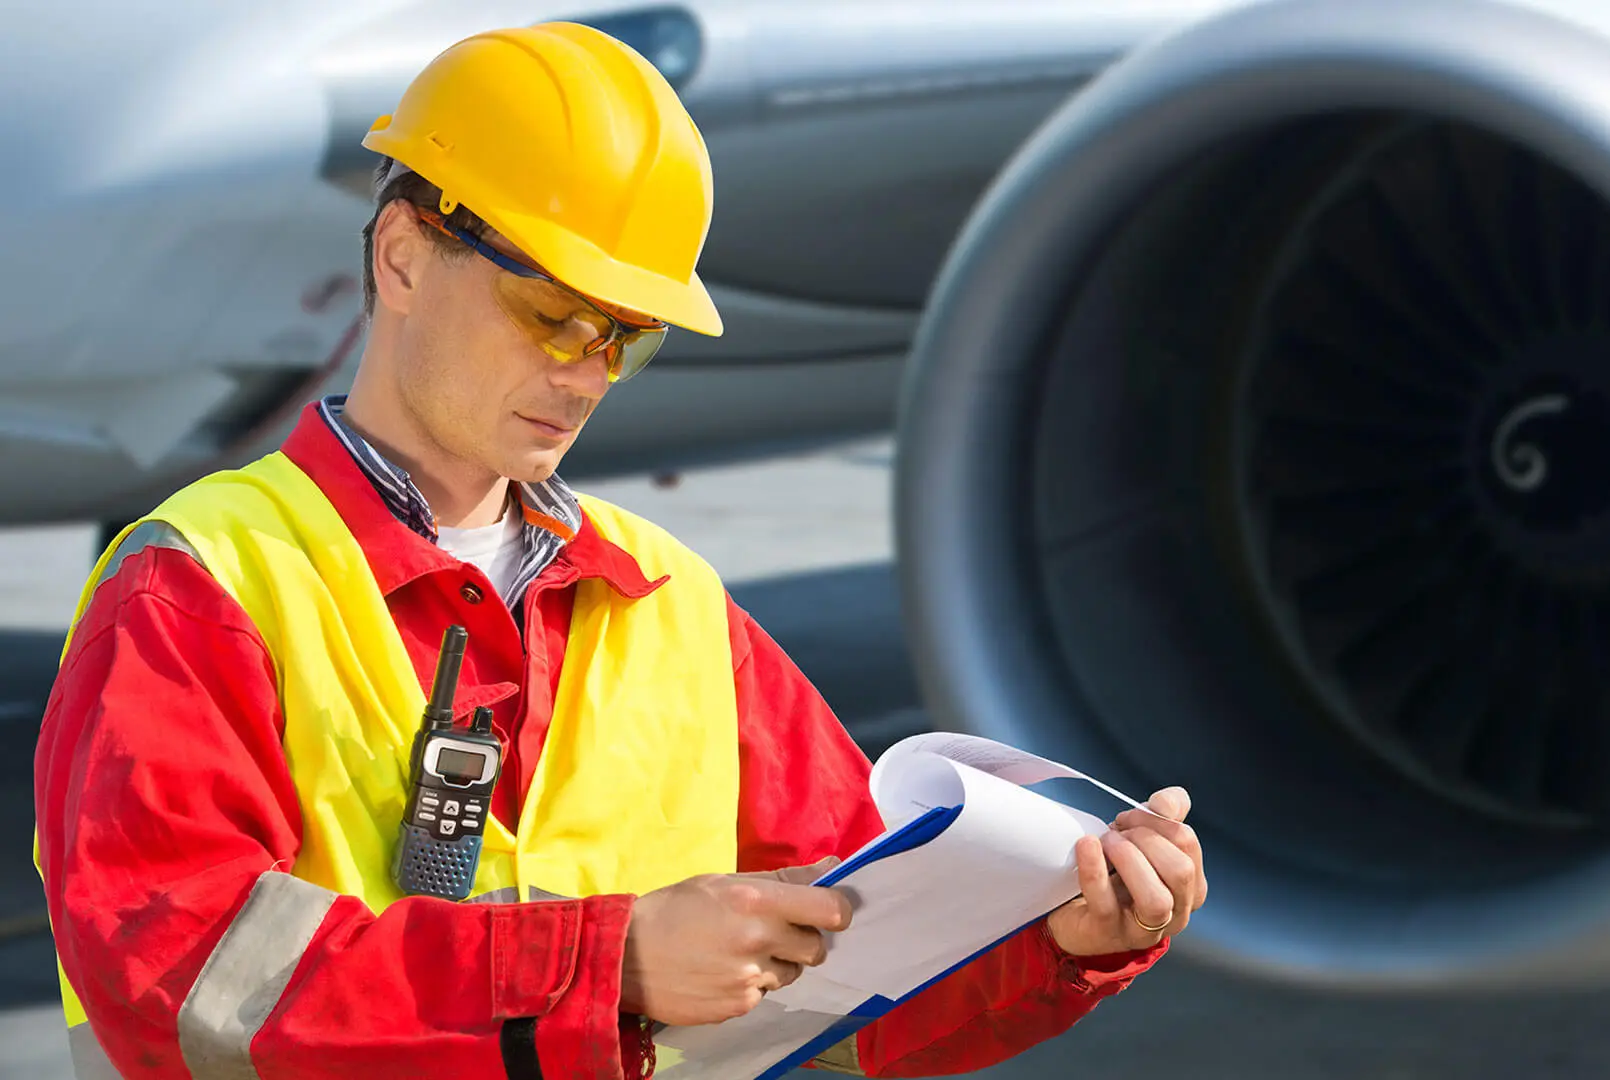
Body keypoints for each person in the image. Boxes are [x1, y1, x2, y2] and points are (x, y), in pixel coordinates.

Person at [32, 21, 1207, 1080]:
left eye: (624, 337)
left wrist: (1057, 940)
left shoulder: (670, 604)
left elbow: (857, 991)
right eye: (552, 314)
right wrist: (608, 969)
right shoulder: (197, 588)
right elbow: (179, 986)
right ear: (400, 256)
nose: (584, 373)